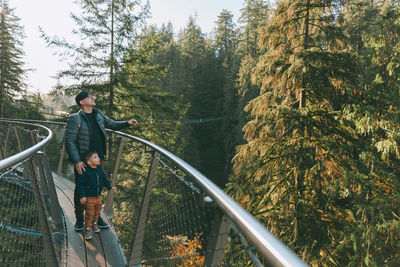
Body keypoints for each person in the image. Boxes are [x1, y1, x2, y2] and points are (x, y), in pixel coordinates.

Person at [65, 91, 138, 231]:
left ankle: (96, 218)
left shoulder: (98, 114)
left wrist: (127, 123)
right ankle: (80, 220)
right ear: (82, 102)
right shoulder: (75, 119)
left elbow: (112, 124)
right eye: (90, 97)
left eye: (93, 96)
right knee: (81, 190)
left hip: (98, 159)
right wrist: (77, 161)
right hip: (84, 161)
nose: (93, 98)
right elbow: (70, 141)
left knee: (97, 187)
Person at [77, 151, 116, 240]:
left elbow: (104, 179)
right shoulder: (85, 171)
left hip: (98, 196)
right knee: (89, 213)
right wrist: (82, 196)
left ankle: (95, 223)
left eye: (98, 156)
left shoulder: (99, 169)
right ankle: (87, 228)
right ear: (89, 162)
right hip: (89, 197)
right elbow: (81, 184)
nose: (98, 158)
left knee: (97, 210)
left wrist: (109, 187)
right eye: (95, 157)